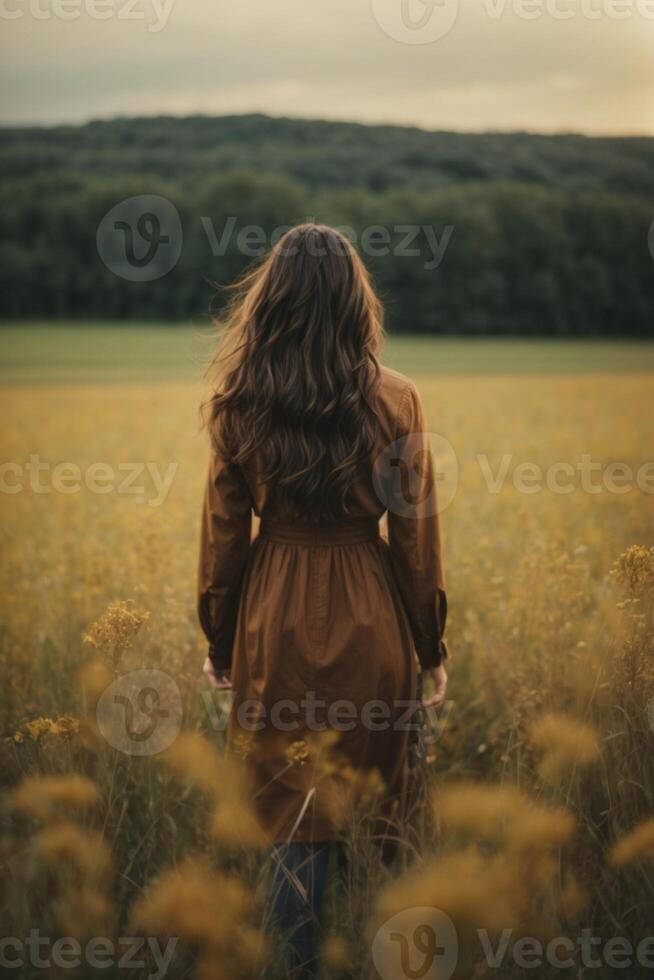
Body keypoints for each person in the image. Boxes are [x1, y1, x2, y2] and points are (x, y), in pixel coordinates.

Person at [198, 223, 449, 978]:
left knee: (288, 812)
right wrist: (430, 646)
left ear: (269, 302)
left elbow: (222, 540)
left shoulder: (238, 400)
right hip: (372, 614)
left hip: (271, 619)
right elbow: (414, 539)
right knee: (379, 812)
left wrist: (220, 641)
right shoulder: (397, 398)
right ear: (355, 301)